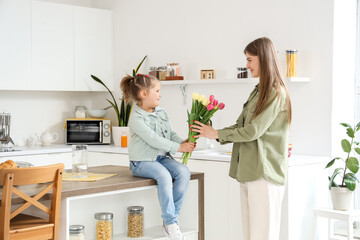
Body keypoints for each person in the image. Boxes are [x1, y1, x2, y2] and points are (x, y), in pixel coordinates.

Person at [190, 37, 292, 240]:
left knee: (263, 235)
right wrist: (213, 132)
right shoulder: (258, 91)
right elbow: (240, 126)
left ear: (263, 59)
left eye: (250, 59)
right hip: (249, 172)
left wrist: (217, 134)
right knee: (251, 235)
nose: (247, 65)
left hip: (264, 173)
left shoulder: (275, 93)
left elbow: (253, 131)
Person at [120, 73, 195, 240]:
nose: (160, 95)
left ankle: (171, 221)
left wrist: (182, 141)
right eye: (157, 91)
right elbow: (154, 140)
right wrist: (179, 148)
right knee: (164, 176)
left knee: (183, 172)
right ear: (143, 94)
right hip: (141, 162)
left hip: (161, 159)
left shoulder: (161, 112)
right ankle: (170, 223)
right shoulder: (136, 118)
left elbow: (170, 134)